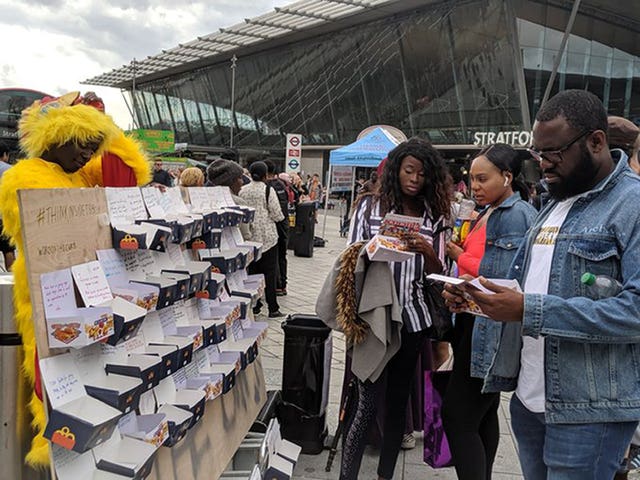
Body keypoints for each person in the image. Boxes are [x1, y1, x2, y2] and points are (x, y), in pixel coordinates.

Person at [444, 89, 640, 480]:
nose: (543, 165)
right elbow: (530, 285)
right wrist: (475, 297)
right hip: (530, 399)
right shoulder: (553, 203)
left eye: (553, 153)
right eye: (538, 153)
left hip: (588, 410)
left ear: (595, 142)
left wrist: (530, 310)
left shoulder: (631, 204)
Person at [0, 98, 122, 467]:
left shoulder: (75, 176)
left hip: (79, 289)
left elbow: (124, 173)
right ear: (56, 136)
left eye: (93, 146)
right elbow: (45, 237)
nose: (87, 154)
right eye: (81, 142)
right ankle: (56, 452)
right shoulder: (26, 175)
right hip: (47, 292)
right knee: (51, 374)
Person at [338, 138, 452, 480]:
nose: (415, 179)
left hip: (414, 320)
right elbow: (350, 259)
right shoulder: (370, 206)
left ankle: (385, 475)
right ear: (396, 170)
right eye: (408, 170)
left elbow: (441, 271)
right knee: (365, 402)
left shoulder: (436, 213)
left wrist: (426, 250)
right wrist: (377, 247)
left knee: (398, 404)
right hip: (374, 319)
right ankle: (348, 476)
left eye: (422, 173)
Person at [443, 143, 537, 480]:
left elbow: (505, 279)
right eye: (472, 179)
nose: (475, 186)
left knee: (456, 417)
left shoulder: (515, 215)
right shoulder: (493, 210)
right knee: (482, 413)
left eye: (483, 179)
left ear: (508, 177)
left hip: (489, 329)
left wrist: (462, 270)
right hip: (477, 323)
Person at [239, 161, 285, 317]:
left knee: (252, 272)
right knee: (270, 274)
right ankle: (273, 308)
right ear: (265, 175)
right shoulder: (268, 190)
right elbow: (277, 214)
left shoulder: (242, 190)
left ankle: (255, 305)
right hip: (267, 237)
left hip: (249, 237)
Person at [206, 159, 250, 240]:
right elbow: (245, 235)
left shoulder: (205, 199)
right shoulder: (238, 203)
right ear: (231, 180)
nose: (242, 182)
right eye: (240, 178)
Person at [265, 160, 290, 296]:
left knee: (273, 257)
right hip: (284, 224)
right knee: (282, 255)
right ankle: (282, 285)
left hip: (274, 225)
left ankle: (276, 285)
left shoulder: (268, 187)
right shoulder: (282, 185)